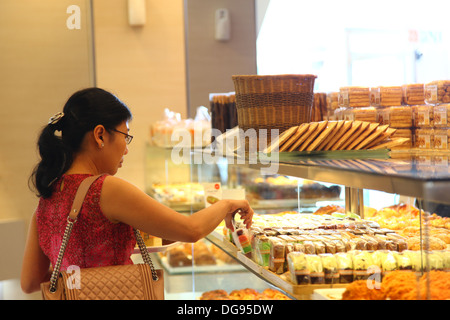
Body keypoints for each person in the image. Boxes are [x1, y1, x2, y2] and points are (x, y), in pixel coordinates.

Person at [20, 88, 253, 294]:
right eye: (125, 136)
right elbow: (191, 230)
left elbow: (30, 282)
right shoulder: (106, 188)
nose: (126, 149)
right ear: (100, 135)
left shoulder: (48, 196)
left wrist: (77, 278)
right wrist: (227, 204)